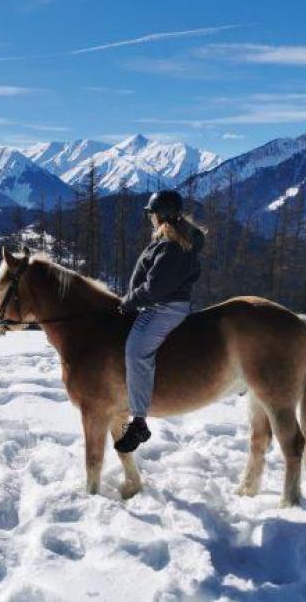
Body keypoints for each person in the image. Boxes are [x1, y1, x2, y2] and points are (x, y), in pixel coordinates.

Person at [114, 189, 206, 453]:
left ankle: (139, 421)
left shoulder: (171, 245)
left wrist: (129, 301)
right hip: (161, 304)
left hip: (165, 308)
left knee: (136, 350)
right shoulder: (170, 239)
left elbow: (156, 287)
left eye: (151, 213)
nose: (149, 217)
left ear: (162, 215)